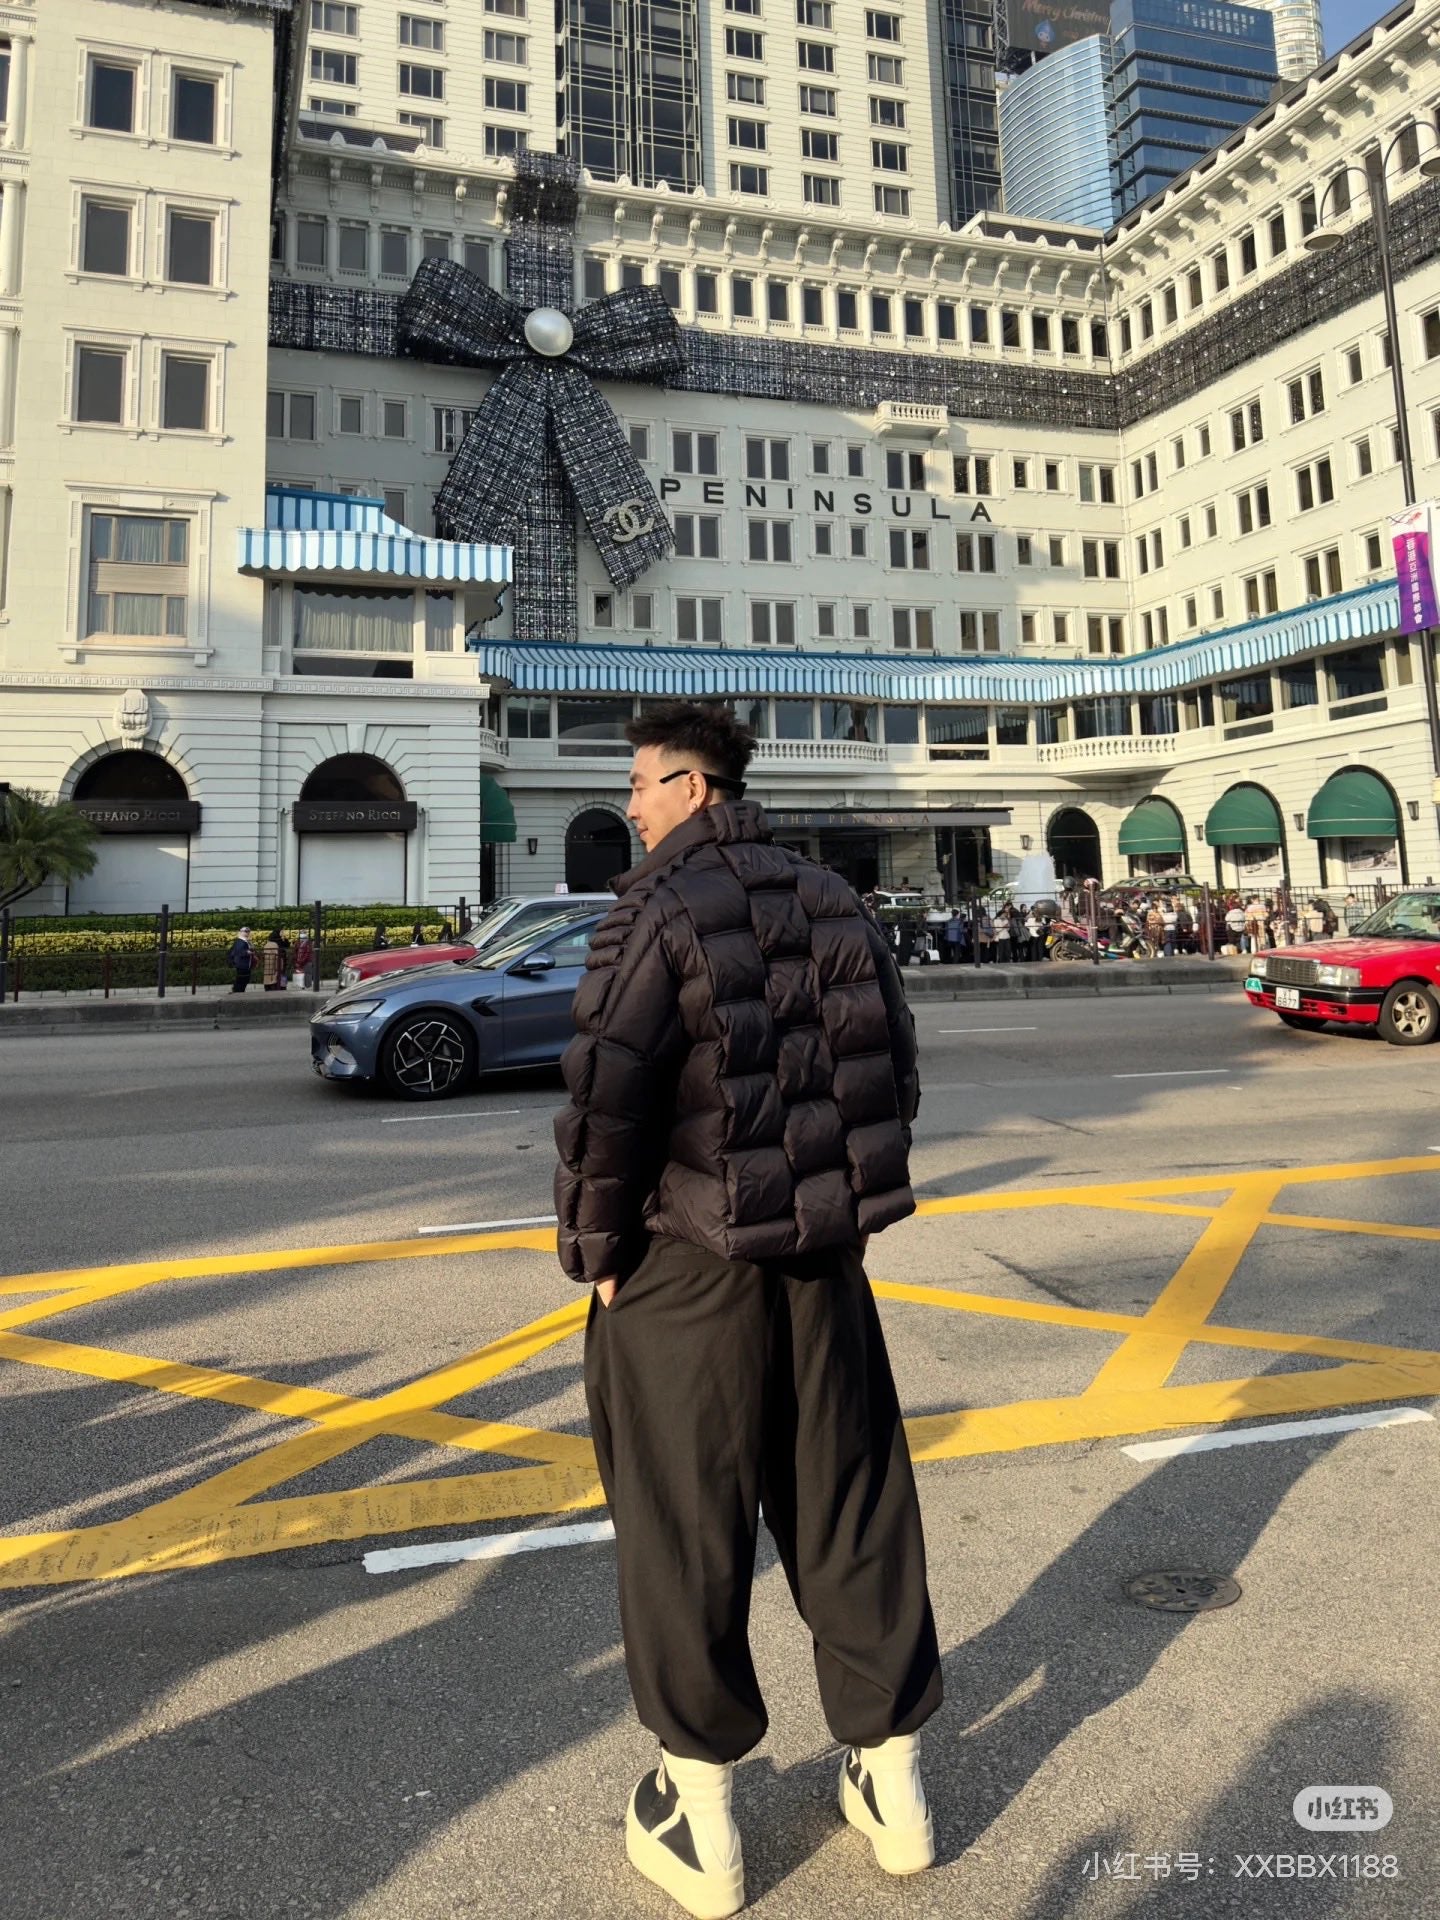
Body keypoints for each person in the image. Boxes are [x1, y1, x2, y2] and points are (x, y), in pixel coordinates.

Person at [555, 702, 942, 1920]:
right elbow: (896, 1074)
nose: (630, 805)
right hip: (821, 1264)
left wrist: (598, 1252)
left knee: (684, 1524)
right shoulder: (835, 900)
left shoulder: (652, 912)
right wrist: (837, 1206)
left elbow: (607, 1103)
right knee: (850, 1502)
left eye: (641, 784)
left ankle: (701, 1818)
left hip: (689, 1267)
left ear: (692, 786)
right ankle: (894, 1785)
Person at [227, 927, 254, 993]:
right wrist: (247, 952)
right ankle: (237, 992)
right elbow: (239, 951)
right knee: (242, 979)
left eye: (248, 931)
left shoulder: (245, 941)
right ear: (241, 932)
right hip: (242, 964)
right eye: (245, 931)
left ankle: (238, 991)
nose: (247, 933)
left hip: (244, 964)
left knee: (243, 979)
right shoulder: (240, 941)